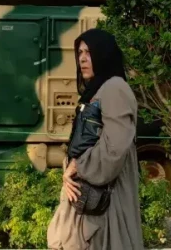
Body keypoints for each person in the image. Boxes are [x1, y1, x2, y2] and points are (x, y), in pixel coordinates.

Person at [47, 28, 144, 250]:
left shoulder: (115, 88)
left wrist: (78, 166)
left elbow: (114, 148)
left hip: (107, 195)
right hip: (87, 189)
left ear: (104, 54)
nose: (82, 59)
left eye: (89, 52)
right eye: (80, 52)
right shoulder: (98, 89)